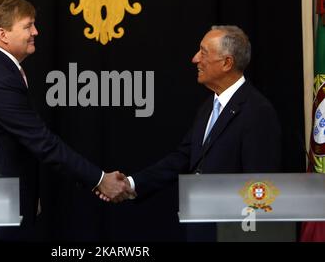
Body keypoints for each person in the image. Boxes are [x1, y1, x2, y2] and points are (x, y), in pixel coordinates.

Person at [0, 0, 133, 241]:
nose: (35, 31)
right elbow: (41, 141)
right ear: (3, 34)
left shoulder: (1, 69)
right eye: (27, 26)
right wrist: (99, 180)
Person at [98, 25, 282, 241]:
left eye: (203, 52)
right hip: (200, 232)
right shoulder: (208, 108)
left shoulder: (257, 111)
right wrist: (131, 184)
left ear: (227, 63)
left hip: (232, 235)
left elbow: (260, 188)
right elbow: (182, 158)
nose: (195, 59)